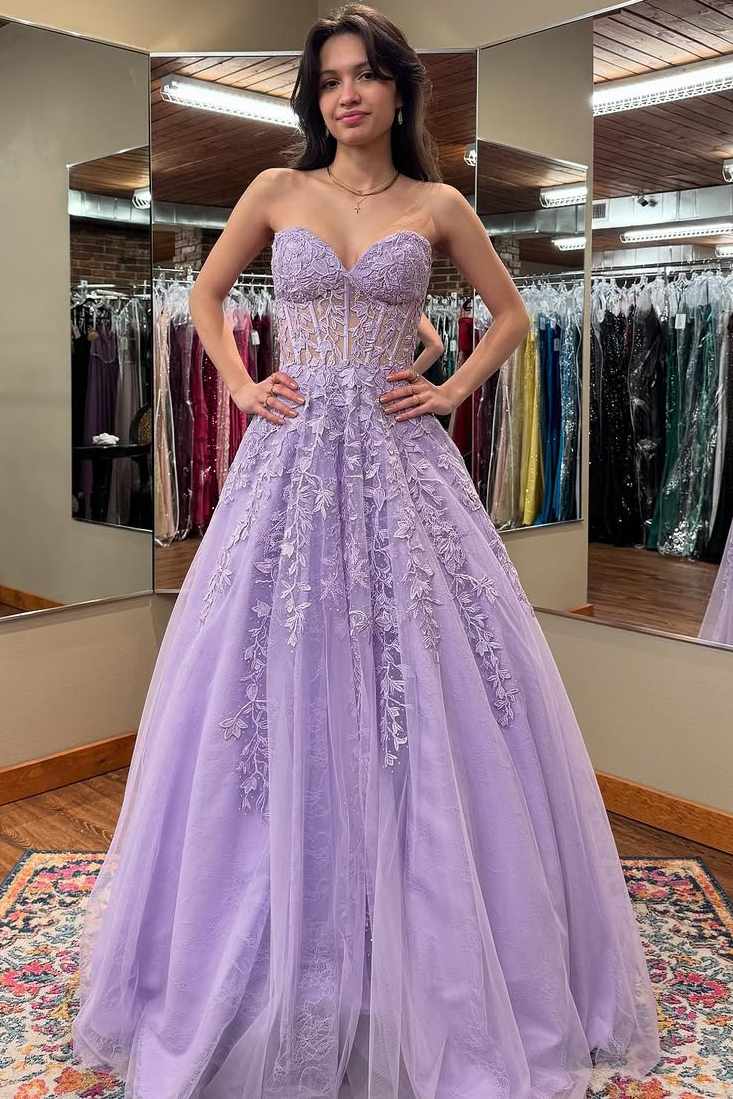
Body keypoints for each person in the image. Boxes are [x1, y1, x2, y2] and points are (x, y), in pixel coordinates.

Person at [72, 4, 662, 1096]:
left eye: (365, 76)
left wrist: (449, 388)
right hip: (289, 466)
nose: (345, 94)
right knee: (266, 679)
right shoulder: (275, 189)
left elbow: (511, 316)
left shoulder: (437, 205)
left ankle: (432, 960)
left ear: (398, 89)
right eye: (330, 79)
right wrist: (240, 383)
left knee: (424, 686)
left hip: (401, 470)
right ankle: (261, 951)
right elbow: (205, 295)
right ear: (317, 96)